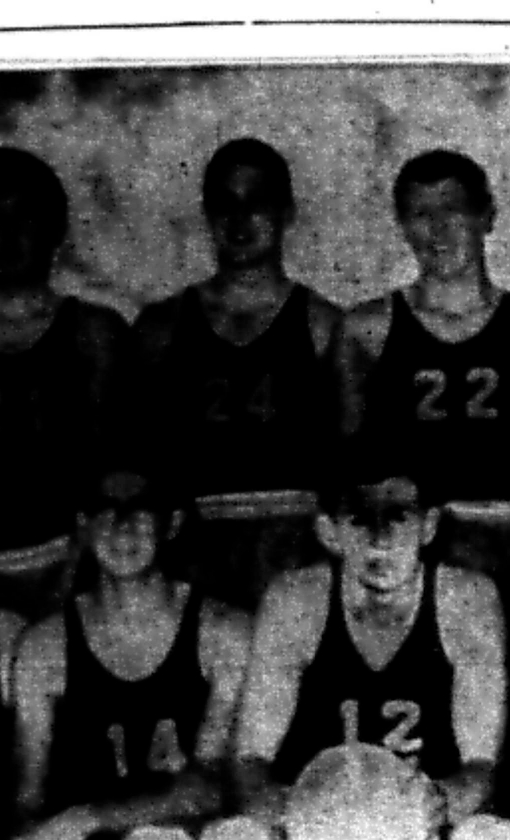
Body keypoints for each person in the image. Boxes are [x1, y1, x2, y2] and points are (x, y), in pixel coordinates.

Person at [198, 450, 510, 840]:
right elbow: (249, 761)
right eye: (359, 518)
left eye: (396, 517)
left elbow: (481, 769)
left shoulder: (467, 598)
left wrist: (403, 826)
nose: (378, 539)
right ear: (328, 530)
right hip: (311, 825)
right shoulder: (295, 599)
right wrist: (318, 829)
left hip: (432, 824)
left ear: (429, 525)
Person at [0, 467, 250, 840]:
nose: (121, 525)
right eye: (104, 510)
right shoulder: (47, 645)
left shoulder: (220, 630)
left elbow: (210, 790)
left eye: (138, 508)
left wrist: (87, 817)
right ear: (83, 525)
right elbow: (26, 805)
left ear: (171, 522)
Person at [336, 149, 510, 659]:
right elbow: (347, 475)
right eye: (422, 215)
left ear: (485, 215)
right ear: (401, 224)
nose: (439, 230)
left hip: (506, 545)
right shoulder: (367, 330)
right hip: (408, 556)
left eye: (453, 211)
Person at [0, 146, 130, 621]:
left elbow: (107, 467)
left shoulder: (93, 331)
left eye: (25, 217)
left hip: (65, 565)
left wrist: (80, 568)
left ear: (55, 230)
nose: (8, 234)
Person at [132, 137, 342, 610]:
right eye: (225, 203)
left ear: (286, 213)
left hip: (294, 544)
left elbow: (346, 456)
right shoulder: (162, 326)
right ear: (207, 215)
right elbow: (141, 457)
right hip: (197, 547)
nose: (240, 219)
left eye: (257, 202)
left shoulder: (322, 323)